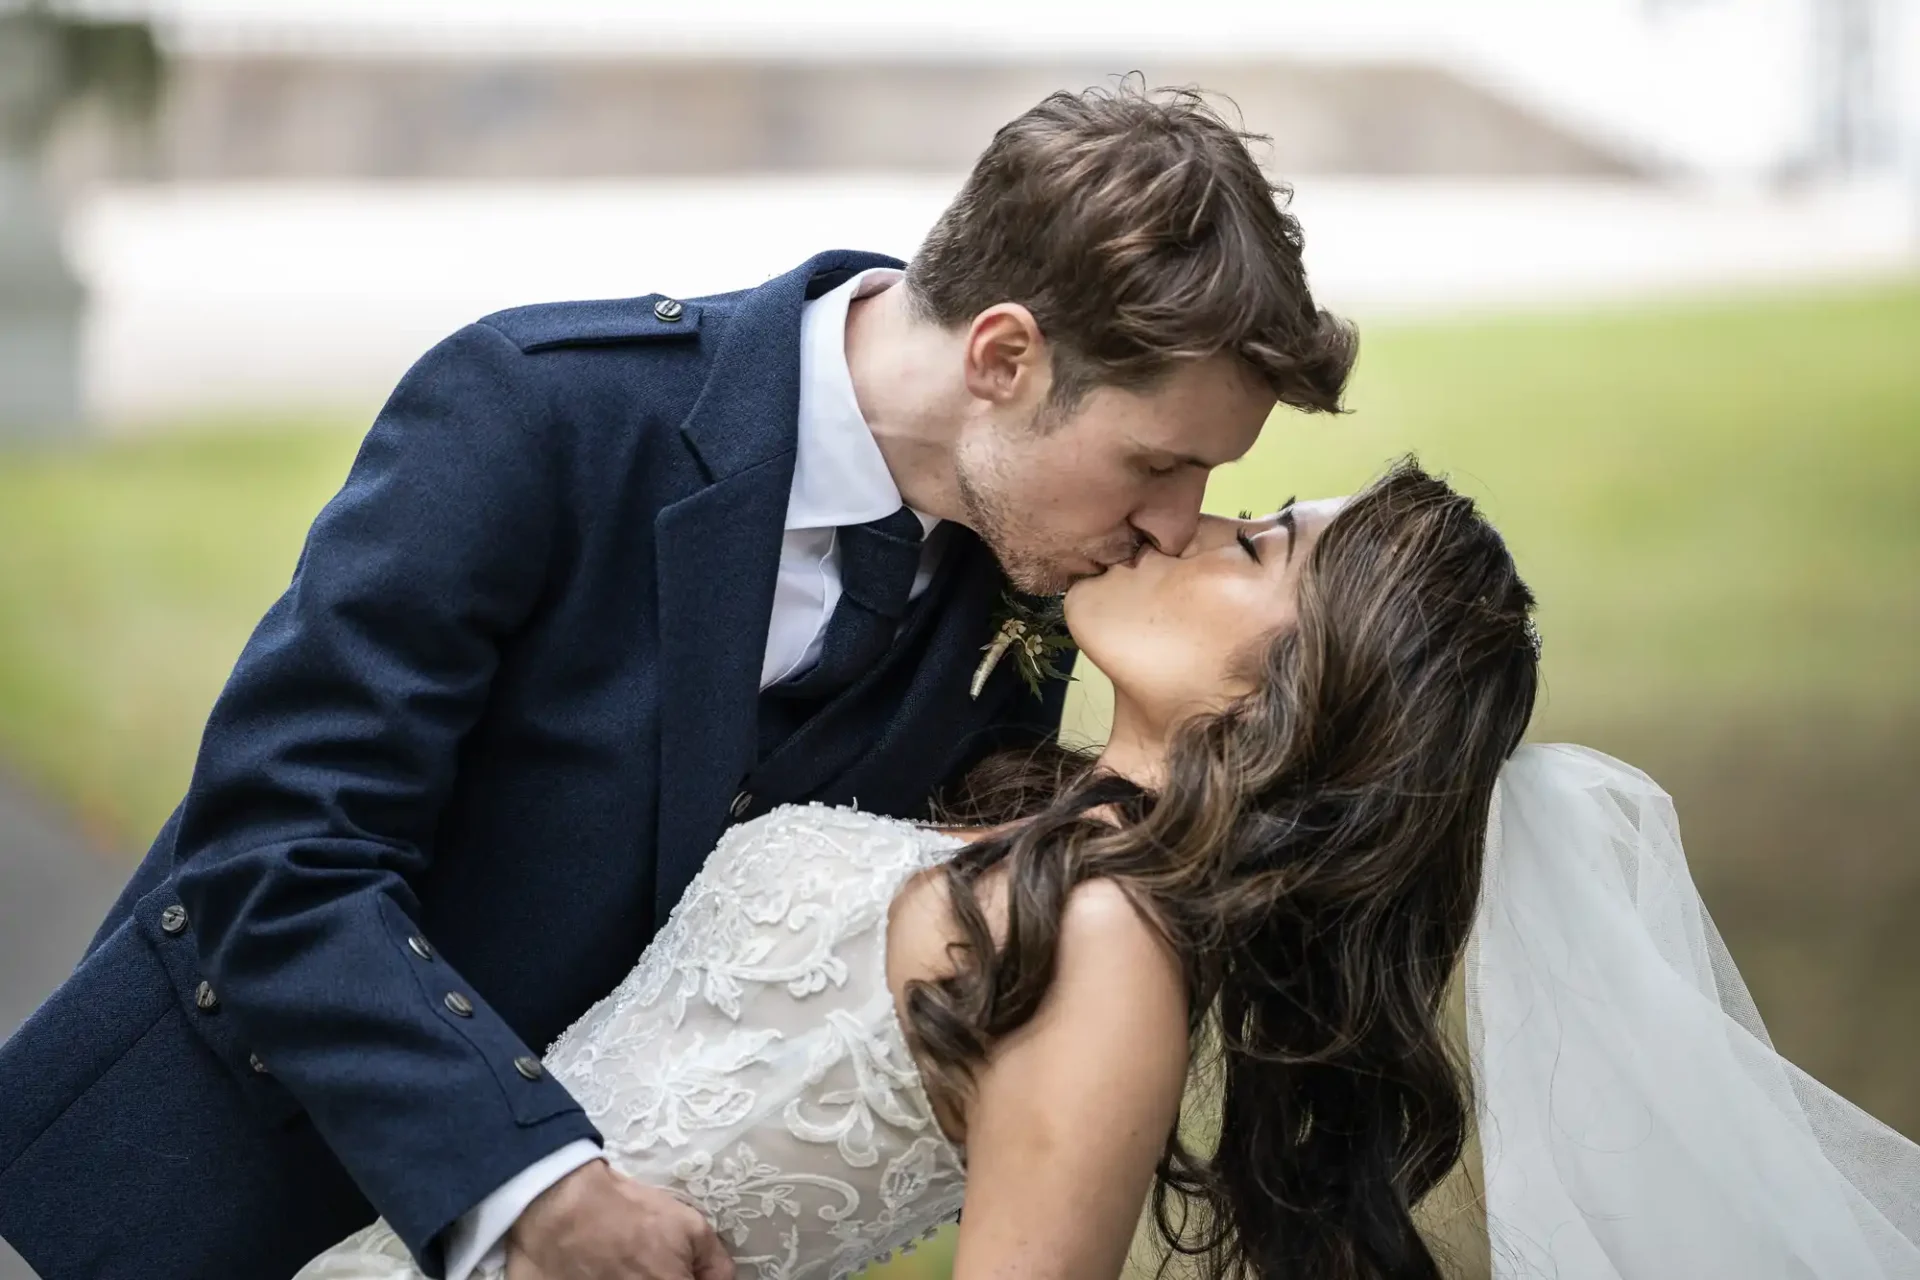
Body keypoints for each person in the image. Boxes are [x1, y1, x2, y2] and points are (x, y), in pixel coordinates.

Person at [0, 84, 1357, 1280]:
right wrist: (524, 1185)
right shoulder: (539, 413)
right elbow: (273, 854)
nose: (1181, 524)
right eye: (1159, 464)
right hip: (158, 1212)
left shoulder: (1033, 579)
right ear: (1004, 358)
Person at [300, 461, 1920, 1280]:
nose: (1195, 524)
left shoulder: (1109, 950)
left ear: (1305, 696)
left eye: (1262, 546)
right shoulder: (1031, 818)